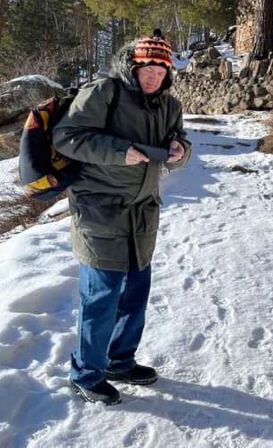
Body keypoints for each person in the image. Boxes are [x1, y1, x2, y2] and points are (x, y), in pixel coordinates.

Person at [53, 30, 191, 405]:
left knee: (135, 294)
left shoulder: (169, 106)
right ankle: (86, 374)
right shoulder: (104, 93)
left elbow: (182, 144)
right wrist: (120, 152)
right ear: (133, 66)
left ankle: (119, 360)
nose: (154, 76)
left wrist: (181, 151)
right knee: (101, 297)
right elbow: (65, 137)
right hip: (99, 210)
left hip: (143, 214)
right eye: (148, 68)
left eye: (161, 70)